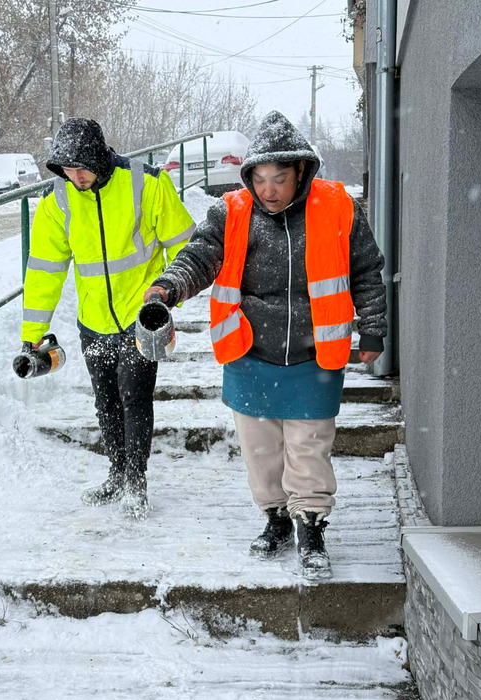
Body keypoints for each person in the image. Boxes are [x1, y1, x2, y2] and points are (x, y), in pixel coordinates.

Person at [144, 111, 387, 580]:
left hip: (315, 353)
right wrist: (166, 288)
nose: (269, 189)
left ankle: (310, 526)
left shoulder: (337, 207)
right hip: (249, 350)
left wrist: (373, 327)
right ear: (249, 177)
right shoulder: (231, 211)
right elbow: (198, 256)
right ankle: (276, 518)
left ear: (301, 172)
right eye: (260, 179)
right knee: (261, 450)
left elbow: (366, 270)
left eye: (279, 178)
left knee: (309, 447)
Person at [21, 118, 196, 520]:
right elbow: (44, 271)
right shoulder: (57, 201)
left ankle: (136, 480)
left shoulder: (147, 184)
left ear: (100, 157)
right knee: (106, 401)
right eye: (67, 168)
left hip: (141, 318)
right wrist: (32, 335)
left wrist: (167, 303)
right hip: (93, 321)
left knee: (134, 398)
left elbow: (188, 248)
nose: (75, 176)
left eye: (82, 166)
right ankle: (116, 473)